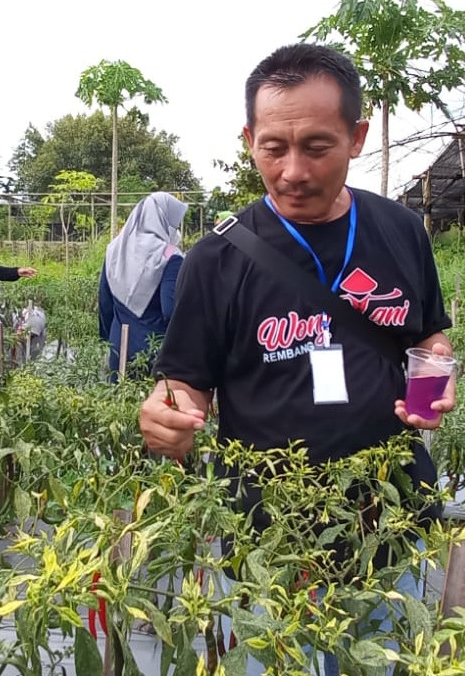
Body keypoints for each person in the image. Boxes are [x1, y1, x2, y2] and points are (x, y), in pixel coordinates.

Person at [139, 43, 454, 675]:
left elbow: (428, 337)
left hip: (392, 518)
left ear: (357, 136)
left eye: (317, 147)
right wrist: (165, 417)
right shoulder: (216, 258)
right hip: (270, 539)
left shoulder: (400, 229)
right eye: (272, 148)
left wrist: (436, 379)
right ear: (249, 138)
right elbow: (185, 386)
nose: (292, 172)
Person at [98, 192, 187, 381]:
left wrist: (108, 339)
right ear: (163, 220)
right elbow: (170, 311)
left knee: (117, 405)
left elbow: (105, 304)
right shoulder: (170, 255)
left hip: (118, 345)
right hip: (154, 349)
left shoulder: (114, 250)